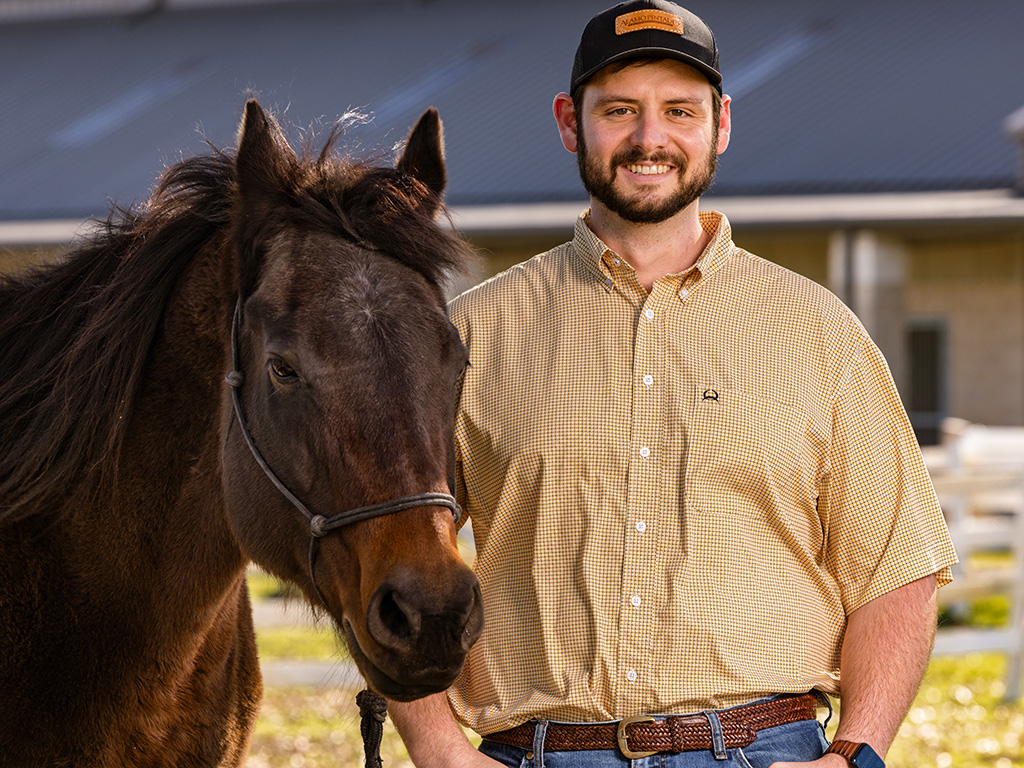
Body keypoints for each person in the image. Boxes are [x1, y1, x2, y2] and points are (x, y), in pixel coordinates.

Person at [389, 2, 958, 766]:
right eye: (619, 110)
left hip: (765, 750)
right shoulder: (466, 337)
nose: (649, 139)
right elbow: (387, 559)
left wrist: (855, 753)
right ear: (569, 122)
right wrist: (439, 751)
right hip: (537, 751)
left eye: (678, 111)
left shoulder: (817, 332)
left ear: (720, 124)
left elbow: (897, 569)